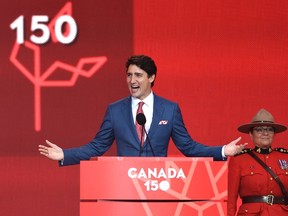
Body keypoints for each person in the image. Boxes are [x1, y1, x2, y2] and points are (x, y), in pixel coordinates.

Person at [39, 54, 246, 166]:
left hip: (157, 186)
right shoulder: (115, 110)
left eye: (138, 75)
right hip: (124, 188)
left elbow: (188, 147)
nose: (132, 80)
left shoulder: (169, 109)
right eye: (129, 75)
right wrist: (65, 155)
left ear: (151, 77)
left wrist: (222, 151)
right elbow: (97, 147)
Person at [228, 108, 288, 216]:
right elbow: (231, 199)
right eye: (259, 130)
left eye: (270, 129)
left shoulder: (285, 157)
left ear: (275, 134)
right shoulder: (239, 159)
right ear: (251, 134)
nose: (265, 133)